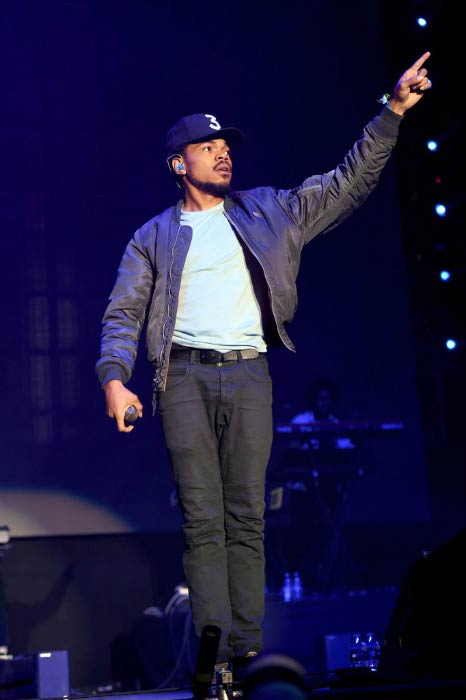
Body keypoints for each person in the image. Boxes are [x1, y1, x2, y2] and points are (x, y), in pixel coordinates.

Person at [95, 53, 432, 670]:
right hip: (185, 380)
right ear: (179, 163)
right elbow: (122, 315)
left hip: (250, 372)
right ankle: (212, 656)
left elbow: (348, 181)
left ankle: (244, 653)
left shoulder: (273, 211)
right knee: (203, 518)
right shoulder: (151, 237)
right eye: (208, 145)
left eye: (227, 144)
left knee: (247, 515)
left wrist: (393, 111)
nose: (223, 152)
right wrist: (116, 380)